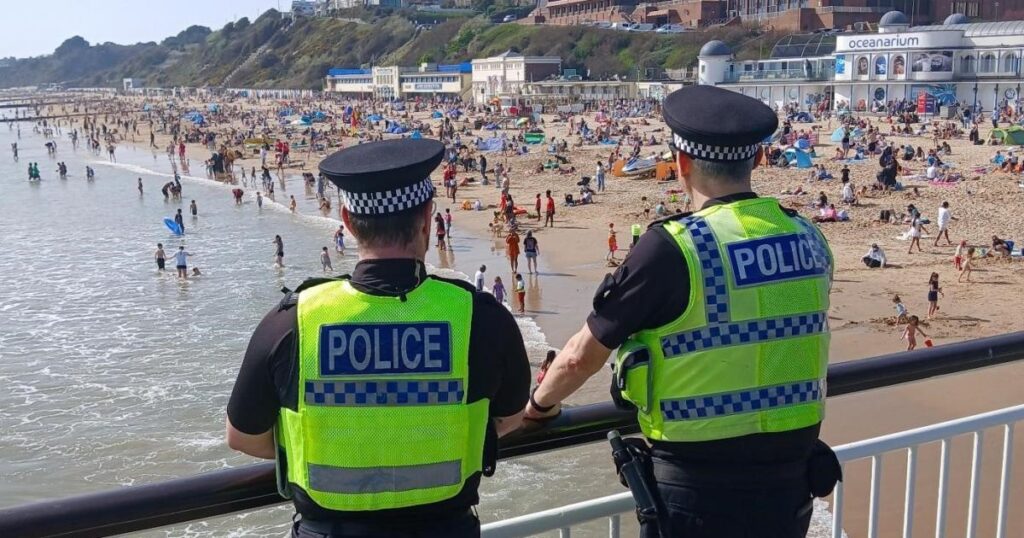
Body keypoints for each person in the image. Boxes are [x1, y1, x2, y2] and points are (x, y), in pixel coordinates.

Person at [523, 85, 839, 538]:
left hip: (697, 492)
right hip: (790, 486)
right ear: (757, 160)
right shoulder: (807, 236)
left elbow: (579, 356)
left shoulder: (677, 247)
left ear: (682, 165)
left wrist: (538, 406)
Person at [226, 139, 530, 538]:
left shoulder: (292, 322)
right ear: (426, 217)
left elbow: (242, 436)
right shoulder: (482, 317)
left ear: (348, 222)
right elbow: (509, 417)